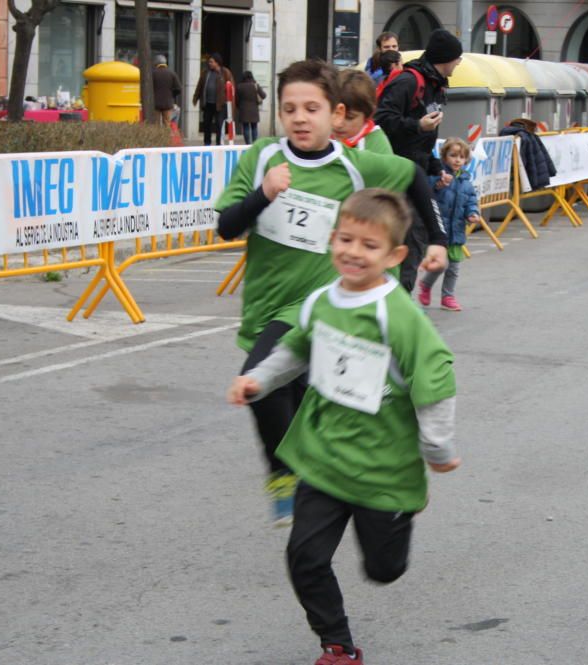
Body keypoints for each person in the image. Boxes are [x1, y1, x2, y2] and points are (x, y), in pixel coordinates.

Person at [228, 188, 460, 665]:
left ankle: (400, 515)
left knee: (384, 570)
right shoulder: (321, 301)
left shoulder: (398, 315)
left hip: (383, 467)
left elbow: (434, 379)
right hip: (324, 456)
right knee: (305, 558)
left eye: (369, 245)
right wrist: (259, 379)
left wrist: (437, 450)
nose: (354, 252)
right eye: (346, 240)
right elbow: (297, 349)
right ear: (332, 239)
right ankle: (336, 644)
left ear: (395, 255)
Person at [214, 60, 447, 527]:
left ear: (334, 113)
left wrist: (439, 239)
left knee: (259, 381)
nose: (300, 118)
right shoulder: (261, 158)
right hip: (263, 306)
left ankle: (286, 476)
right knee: (298, 405)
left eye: (312, 108)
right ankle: (332, 488)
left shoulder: (355, 165)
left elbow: (415, 178)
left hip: (319, 307)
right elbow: (226, 227)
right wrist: (264, 194)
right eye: (289, 109)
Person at [374, 28, 463, 292]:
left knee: (415, 239)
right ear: (445, 58)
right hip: (397, 175)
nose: (459, 63)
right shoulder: (409, 82)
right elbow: (381, 120)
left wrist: (437, 166)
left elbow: (421, 143)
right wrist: (417, 125)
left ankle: (399, 297)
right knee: (409, 239)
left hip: (417, 172)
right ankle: (396, 299)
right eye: (457, 58)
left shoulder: (434, 85)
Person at [418, 137, 478, 312]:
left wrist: (473, 213)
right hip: (440, 228)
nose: (457, 160)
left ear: (466, 159)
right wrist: (438, 184)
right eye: (453, 155)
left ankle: (448, 296)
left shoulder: (466, 181)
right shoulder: (437, 175)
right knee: (440, 264)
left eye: (461, 156)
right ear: (444, 158)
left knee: (454, 266)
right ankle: (426, 285)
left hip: (457, 228)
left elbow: (471, 201)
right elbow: (428, 192)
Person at [332, 69, 393, 153]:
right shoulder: (323, 135)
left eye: (349, 117)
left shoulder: (376, 144)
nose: (339, 123)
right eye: (335, 113)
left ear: (367, 115)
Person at [192, 53, 235, 146]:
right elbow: (200, 86)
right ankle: (207, 143)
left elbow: (231, 88)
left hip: (220, 104)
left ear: (217, 62)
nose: (209, 63)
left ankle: (219, 144)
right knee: (207, 124)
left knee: (219, 125)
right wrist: (195, 97)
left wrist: (231, 104)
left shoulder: (225, 72)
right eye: (209, 62)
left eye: (211, 62)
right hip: (208, 104)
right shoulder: (205, 73)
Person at [236, 70, 267, 145]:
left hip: (243, 109)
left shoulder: (239, 86)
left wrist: (239, 107)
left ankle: (248, 144)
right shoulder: (255, 85)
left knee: (246, 127)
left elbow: (237, 99)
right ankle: (254, 143)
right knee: (254, 127)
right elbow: (263, 95)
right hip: (254, 109)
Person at [152, 54, 181, 126]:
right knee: (167, 123)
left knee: (156, 124)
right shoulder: (172, 73)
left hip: (155, 103)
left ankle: (157, 137)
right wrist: (171, 96)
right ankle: (166, 137)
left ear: (156, 63)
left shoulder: (153, 73)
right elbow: (179, 88)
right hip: (168, 103)